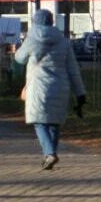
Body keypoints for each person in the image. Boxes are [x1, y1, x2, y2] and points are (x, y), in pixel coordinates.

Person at [14, 9, 86, 171]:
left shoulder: (32, 39)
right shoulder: (64, 41)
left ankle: (50, 153)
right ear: (52, 22)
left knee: (40, 122)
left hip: (39, 86)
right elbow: (73, 69)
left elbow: (19, 58)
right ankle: (50, 155)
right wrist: (80, 93)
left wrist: (19, 47)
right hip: (61, 86)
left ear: (35, 22)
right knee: (54, 123)